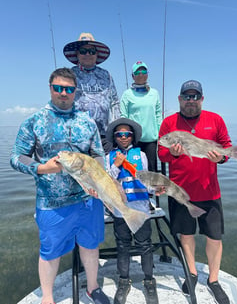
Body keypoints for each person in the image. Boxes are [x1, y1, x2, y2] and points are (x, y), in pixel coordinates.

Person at [10, 68, 110, 304]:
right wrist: (41, 168)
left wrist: (97, 178)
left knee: (90, 245)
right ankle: (47, 297)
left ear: (75, 91)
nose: (63, 93)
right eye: (58, 88)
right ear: (51, 88)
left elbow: (97, 154)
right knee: (50, 251)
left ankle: (92, 287)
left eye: (69, 89)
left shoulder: (87, 121)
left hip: (88, 199)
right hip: (52, 203)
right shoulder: (34, 121)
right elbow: (17, 157)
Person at [158, 80, 230, 304]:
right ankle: (192, 272)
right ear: (179, 99)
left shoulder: (215, 119)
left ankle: (214, 279)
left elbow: (225, 147)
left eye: (195, 96)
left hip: (210, 191)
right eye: (186, 97)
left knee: (214, 238)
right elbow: (162, 153)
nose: (191, 101)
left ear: (202, 99)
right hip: (180, 191)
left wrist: (223, 157)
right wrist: (175, 153)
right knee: (186, 235)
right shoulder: (169, 123)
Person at [105, 117, 159, 304]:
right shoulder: (108, 157)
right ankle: (123, 281)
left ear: (132, 136)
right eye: (119, 134)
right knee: (123, 245)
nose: (123, 137)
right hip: (120, 210)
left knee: (145, 244)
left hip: (141, 208)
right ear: (114, 137)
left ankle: (149, 281)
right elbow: (106, 183)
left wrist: (155, 189)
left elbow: (145, 180)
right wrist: (116, 166)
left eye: (127, 134)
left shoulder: (141, 155)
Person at [63, 32, 121, 153]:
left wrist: (117, 129)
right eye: (83, 51)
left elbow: (114, 103)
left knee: (104, 170)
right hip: (76, 136)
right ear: (77, 54)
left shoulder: (107, 75)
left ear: (97, 54)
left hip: (104, 136)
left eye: (92, 51)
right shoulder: (68, 74)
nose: (88, 54)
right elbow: (61, 102)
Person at [120, 61, 162, 172]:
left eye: (143, 71)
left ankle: (152, 190)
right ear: (132, 76)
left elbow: (158, 115)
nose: (141, 74)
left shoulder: (155, 93)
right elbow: (124, 117)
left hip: (151, 140)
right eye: (137, 72)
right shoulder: (127, 94)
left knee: (151, 170)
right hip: (134, 140)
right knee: (134, 170)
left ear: (147, 74)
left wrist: (160, 135)